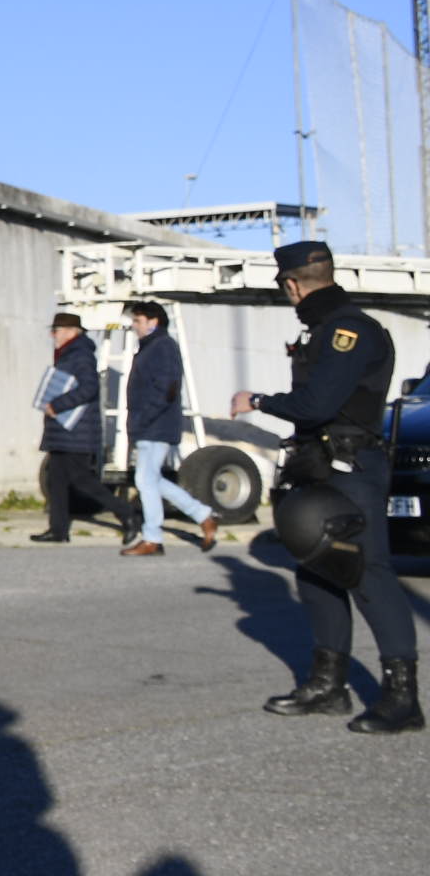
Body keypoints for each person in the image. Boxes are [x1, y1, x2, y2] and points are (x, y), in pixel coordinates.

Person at [238, 240, 423, 733]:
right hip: (318, 466)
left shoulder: (347, 330)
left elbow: (316, 404)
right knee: (317, 571)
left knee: (369, 575)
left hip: (351, 468)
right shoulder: (325, 328)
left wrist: (258, 400)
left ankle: (403, 701)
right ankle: (328, 686)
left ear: (292, 284)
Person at [119, 299, 216, 557]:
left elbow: (167, 389)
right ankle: (203, 515)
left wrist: (144, 418)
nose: (134, 326)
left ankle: (153, 538)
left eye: (138, 321)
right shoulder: (151, 347)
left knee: (144, 479)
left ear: (154, 322)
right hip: (149, 424)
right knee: (152, 480)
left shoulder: (162, 347)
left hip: (155, 425)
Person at [34, 312, 127, 543]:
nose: (52, 335)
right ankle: (58, 530)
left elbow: (88, 388)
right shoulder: (69, 354)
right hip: (64, 431)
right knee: (56, 481)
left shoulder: (81, 355)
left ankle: (128, 515)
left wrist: (57, 404)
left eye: (55, 331)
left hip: (76, 430)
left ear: (70, 332)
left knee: (82, 481)